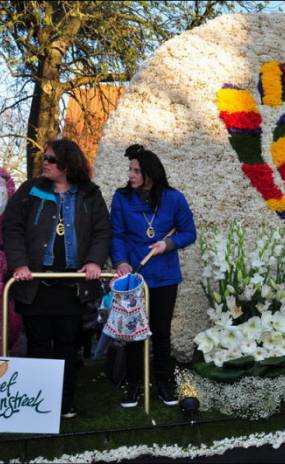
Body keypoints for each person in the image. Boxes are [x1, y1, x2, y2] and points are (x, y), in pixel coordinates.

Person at [3, 139, 111, 418]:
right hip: (36, 283)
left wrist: (93, 261)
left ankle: (64, 404)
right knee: (37, 342)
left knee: (67, 343)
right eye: (45, 158)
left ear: (67, 163)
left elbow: (102, 231)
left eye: (51, 159)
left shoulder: (89, 194)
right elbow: (12, 227)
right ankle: (37, 408)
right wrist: (19, 264)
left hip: (72, 286)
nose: (45, 163)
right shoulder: (31, 190)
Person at [110, 144, 197, 407]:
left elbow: (188, 232)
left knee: (161, 331)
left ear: (150, 174)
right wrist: (121, 262)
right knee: (134, 332)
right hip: (135, 278)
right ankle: (133, 384)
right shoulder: (122, 198)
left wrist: (167, 245)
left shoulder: (174, 198)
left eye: (136, 170)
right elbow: (117, 234)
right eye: (130, 170)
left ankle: (164, 383)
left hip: (165, 277)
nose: (131, 175)